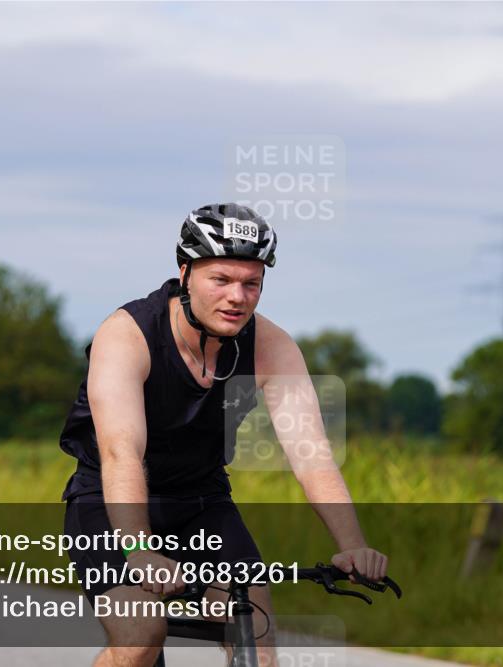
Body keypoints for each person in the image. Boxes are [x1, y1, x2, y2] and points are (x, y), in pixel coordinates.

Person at [60, 203, 388, 667]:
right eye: (221, 280)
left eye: (251, 283)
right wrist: (138, 548)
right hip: (109, 500)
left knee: (256, 638)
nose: (238, 297)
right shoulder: (127, 335)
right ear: (185, 274)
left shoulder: (271, 346)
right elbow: (121, 453)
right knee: (141, 634)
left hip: (202, 502)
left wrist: (351, 544)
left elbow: (312, 456)